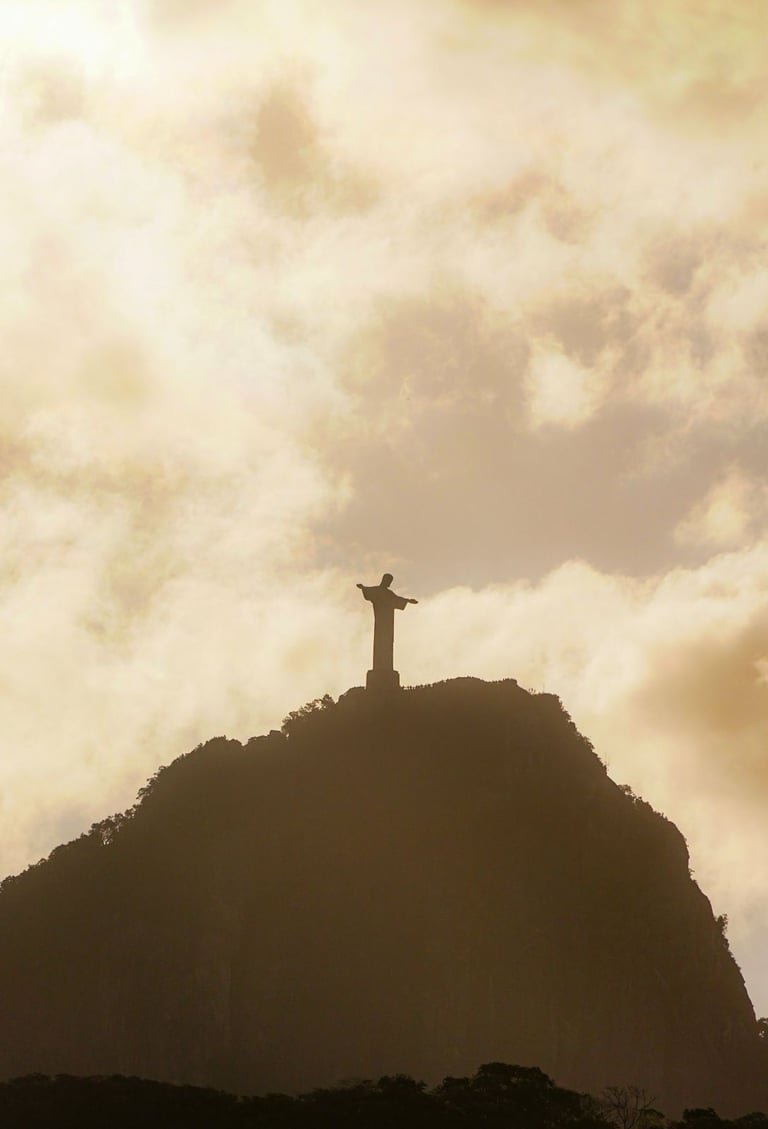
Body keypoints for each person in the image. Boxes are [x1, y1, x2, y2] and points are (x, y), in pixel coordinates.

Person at [357, 574, 417, 672]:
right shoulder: (378, 591)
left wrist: (408, 601)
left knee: (388, 643)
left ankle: (387, 668)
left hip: (388, 623)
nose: (389, 583)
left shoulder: (388, 593)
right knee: (380, 643)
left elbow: (397, 599)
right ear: (384, 580)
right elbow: (369, 591)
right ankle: (380, 668)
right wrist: (363, 588)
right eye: (389, 581)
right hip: (380, 623)